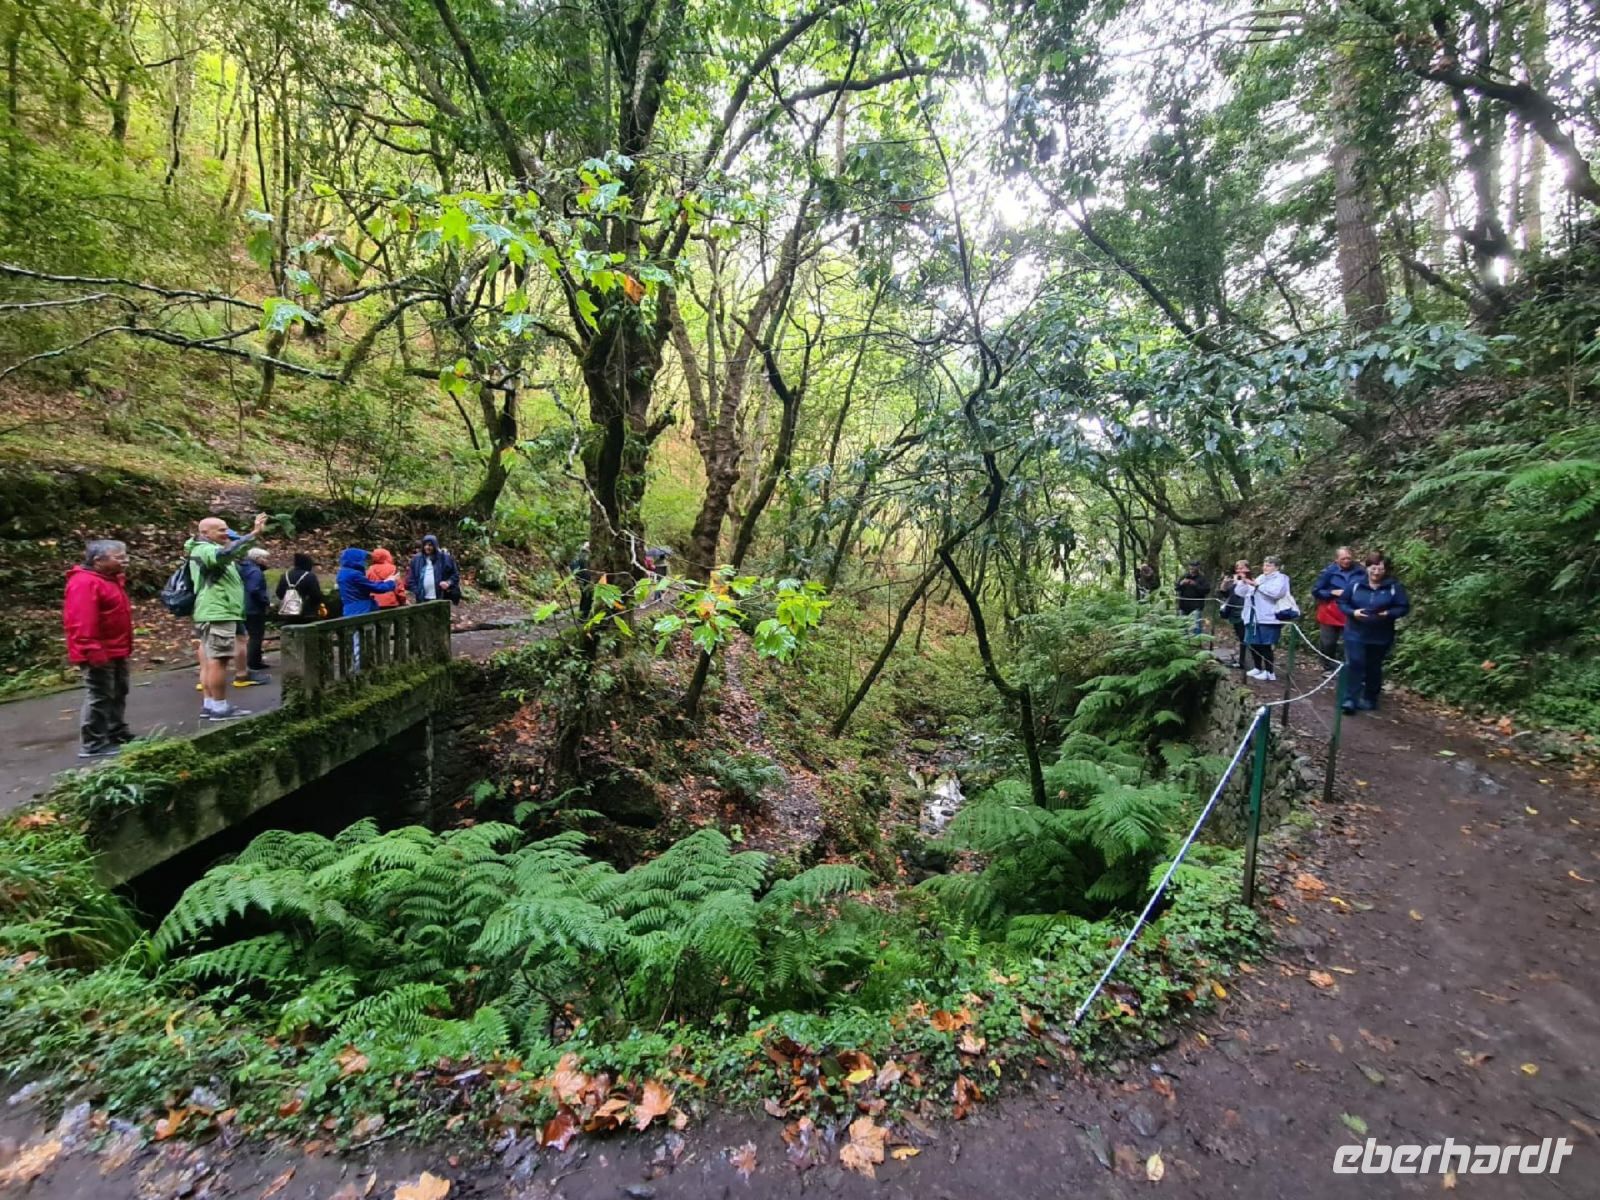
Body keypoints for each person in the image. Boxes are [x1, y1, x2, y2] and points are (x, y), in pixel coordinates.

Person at [186, 512, 269, 720]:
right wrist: (253, 534)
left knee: (209, 659)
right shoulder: (206, 549)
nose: (226, 533)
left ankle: (210, 704)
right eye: (221, 530)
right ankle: (220, 707)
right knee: (219, 660)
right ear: (205, 532)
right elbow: (225, 555)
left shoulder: (204, 549)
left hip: (212, 610)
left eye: (226, 529)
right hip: (218, 611)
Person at [63, 539, 133, 757]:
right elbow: (81, 621)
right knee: (100, 695)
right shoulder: (84, 583)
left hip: (117, 648)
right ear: (98, 560)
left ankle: (115, 731)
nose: (125, 561)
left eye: (125, 556)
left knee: (119, 690)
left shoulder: (111, 579)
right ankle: (93, 743)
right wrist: (91, 650)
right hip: (97, 651)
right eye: (119, 557)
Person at [1339, 552, 1411, 714]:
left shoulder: (1393, 587)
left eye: (1380, 568)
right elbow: (1342, 602)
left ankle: (1370, 698)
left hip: (1380, 635)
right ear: (1367, 568)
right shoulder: (1356, 584)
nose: (1376, 572)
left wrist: (1389, 614)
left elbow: (1403, 607)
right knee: (1355, 663)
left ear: (1385, 570)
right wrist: (1353, 612)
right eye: (1373, 568)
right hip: (1355, 632)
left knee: (1373, 666)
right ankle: (1350, 699)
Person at [1235, 555, 1292, 681]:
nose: (1266, 567)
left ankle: (1269, 671)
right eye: (1265, 565)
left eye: (1269, 565)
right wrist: (1244, 582)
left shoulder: (1281, 578)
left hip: (1269, 616)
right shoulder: (1261, 578)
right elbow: (1241, 593)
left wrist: (1256, 585)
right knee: (1254, 643)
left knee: (1265, 645)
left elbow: (1276, 593)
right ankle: (1257, 667)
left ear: (1276, 567)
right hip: (1254, 616)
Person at [1311, 546, 1359, 667]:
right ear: (1336, 560)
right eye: (1343, 559)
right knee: (1328, 642)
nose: (1346, 561)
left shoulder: (1360, 571)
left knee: (1350, 642)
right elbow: (1316, 591)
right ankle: (1326, 665)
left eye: (1348, 558)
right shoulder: (1328, 572)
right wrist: (1332, 592)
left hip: (1350, 611)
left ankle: (1349, 669)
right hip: (1330, 611)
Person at [237, 547, 272, 684]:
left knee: (247, 635)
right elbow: (254, 589)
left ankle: (252, 661)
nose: (266, 561)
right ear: (258, 559)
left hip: (242, 605)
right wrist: (265, 601)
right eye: (265, 558)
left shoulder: (242, 568)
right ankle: (254, 662)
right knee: (256, 635)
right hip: (253, 607)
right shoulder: (255, 571)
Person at [337, 547, 396, 616]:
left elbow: (367, 584)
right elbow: (376, 588)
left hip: (349, 610)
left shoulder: (343, 572)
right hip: (362, 610)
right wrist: (391, 581)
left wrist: (385, 582)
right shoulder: (355, 574)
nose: (364, 562)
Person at [406, 534, 460, 604]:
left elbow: (455, 575)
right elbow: (411, 578)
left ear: (435, 546)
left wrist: (448, 583)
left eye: (430, 545)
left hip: (441, 597)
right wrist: (417, 591)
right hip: (422, 598)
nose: (427, 547)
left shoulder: (445, 558)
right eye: (425, 545)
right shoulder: (416, 559)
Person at [1215, 560, 1251, 666]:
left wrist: (1240, 583)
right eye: (1237, 568)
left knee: (1244, 637)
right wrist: (1225, 583)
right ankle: (1240, 659)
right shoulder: (1237, 581)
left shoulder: (1249, 581)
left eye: (1241, 568)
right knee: (1240, 637)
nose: (1239, 570)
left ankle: (1243, 662)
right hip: (1234, 613)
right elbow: (1226, 594)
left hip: (1243, 613)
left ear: (1247, 568)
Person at [276, 552, 325, 622]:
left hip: (288, 612)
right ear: (307, 564)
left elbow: (279, 593)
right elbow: (316, 595)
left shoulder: (285, 575)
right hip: (307, 614)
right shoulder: (310, 576)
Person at [1175, 560, 1210, 635]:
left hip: (1196, 606)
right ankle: (1183, 642)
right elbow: (1176, 588)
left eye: (1194, 566)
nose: (1192, 568)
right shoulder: (1184, 576)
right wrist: (1181, 584)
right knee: (1182, 625)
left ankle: (1196, 643)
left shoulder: (1202, 579)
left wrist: (1195, 584)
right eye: (1191, 566)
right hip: (1183, 605)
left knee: (1196, 626)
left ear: (1198, 567)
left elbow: (1206, 590)